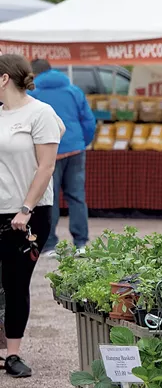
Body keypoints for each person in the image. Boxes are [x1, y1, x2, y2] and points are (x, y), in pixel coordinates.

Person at [0, 55, 63, 378]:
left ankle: (12, 354)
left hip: (28, 213)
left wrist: (26, 208)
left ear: (4, 79)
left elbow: (47, 166)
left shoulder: (40, 113)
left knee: (15, 282)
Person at [29, 59, 95, 253]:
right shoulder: (74, 90)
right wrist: (82, 142)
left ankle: (49, 244)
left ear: (34, 74)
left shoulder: (34, 94)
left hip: (48, 150)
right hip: (75, 149)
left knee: (49, 198)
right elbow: (89, 121)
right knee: (77, 197)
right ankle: (81, 243)